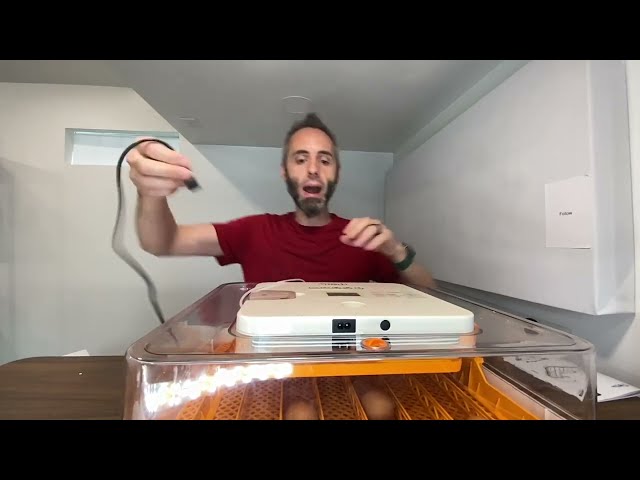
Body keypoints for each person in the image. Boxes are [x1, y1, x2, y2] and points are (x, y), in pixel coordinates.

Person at [127, 112, 437, 419]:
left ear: (337, 173)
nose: (313, 169)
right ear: (284, 172)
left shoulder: (363, 237)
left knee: (381, 409)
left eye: (325, 160)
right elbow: (162, 242)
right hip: (278, 369)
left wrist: (396, 250)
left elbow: (430, 294)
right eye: (300, 159)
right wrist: (150, 193)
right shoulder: (254, 231)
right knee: (300, 415)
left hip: (352, 364)